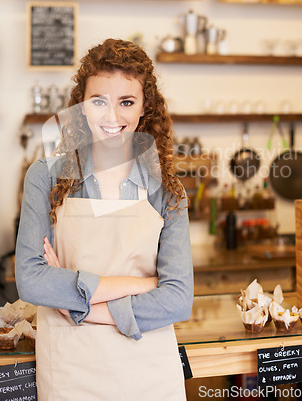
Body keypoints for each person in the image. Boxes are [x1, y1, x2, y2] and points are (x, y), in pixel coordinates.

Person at [15, 38, 194, 401]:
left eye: (126, 102)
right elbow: (32, 282)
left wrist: (80, 306)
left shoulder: (167, 191)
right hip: (70, 375)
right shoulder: (46, 177)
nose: (113, 118)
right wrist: (140, 284)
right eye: (99, 101)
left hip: (149, 375)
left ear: (145, 107)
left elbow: (178, 300)